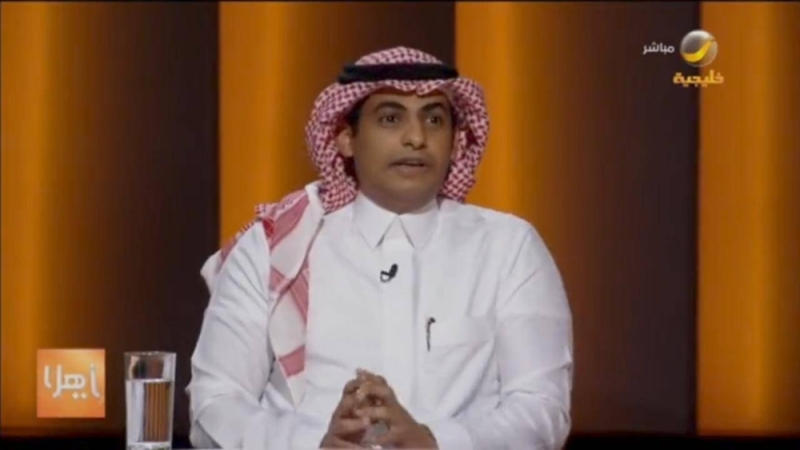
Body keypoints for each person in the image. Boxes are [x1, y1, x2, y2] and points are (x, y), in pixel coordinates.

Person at [186, 46, 573, 450]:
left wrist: (436, 442)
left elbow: (542, 409)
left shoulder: (509, 248)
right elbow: (215, 405)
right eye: (391, 118)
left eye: (434, 120)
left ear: (457, 142)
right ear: (346, 139)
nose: (416, 138)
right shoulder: (275, 248)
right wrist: (314, 445)